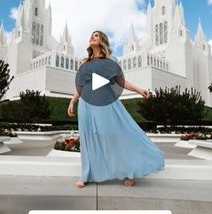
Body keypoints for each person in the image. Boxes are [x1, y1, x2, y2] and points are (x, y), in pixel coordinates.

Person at [68, 30, 165, 188]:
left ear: (103, 41)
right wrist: (72, 101)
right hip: (86, 104)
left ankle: (129, 171)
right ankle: (86, 175)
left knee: (113, 136)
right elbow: (80, 86)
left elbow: (121, 82)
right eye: (91, 35)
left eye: (96, 35)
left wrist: (139, 90)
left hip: (104, 102)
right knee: (88, 139)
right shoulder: (84, 63)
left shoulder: (111, 60)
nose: (92, 37)